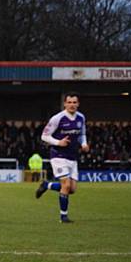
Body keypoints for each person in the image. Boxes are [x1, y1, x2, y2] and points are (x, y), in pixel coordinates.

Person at [35, 93, 90, 223]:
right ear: (65, 104)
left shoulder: (81, 118)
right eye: (69, 102)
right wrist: (58, 142)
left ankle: (46, 185)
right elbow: (44, 136)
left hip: (73, 157)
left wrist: (84, 144)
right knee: (65, 185)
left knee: (72, 189)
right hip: (58, 156)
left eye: (74, 102)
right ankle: (63, 217)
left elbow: (82, 134)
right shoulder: (57, 118)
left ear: (78, 104)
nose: (72, 105)